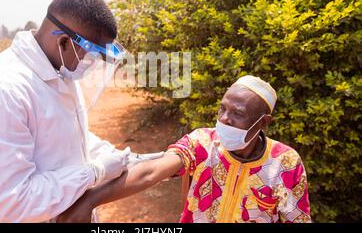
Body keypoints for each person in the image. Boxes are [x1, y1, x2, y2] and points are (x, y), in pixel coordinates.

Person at [0, 0, 162, 222]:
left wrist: (121, 157)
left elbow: (66, 136)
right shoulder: (2, 92)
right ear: (64, 42)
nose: (91, 66)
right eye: (90, 57)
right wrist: (96, 172)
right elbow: (10, 204)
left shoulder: (60, 70)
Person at [57, 75, 312, 223]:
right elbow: (150, 172)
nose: (224, 119)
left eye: (237, 114)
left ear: (263, 122)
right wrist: (91, 199)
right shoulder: (202, 143)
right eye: (222, 109)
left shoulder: (285, 163)